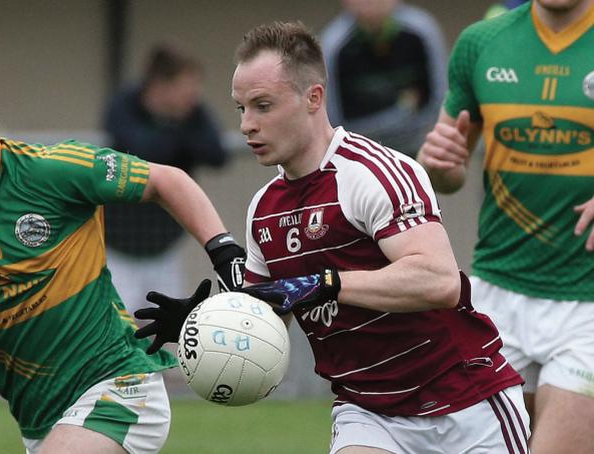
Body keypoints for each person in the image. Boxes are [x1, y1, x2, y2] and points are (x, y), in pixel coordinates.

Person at [136, 21, 530, 453]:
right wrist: (208, 322)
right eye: (240, 109)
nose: (247, 125)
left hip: (464, 402)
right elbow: (269, 316)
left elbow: (439, 281)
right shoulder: (263, 209)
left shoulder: (373, 174)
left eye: (263, 105)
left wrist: (328, 284)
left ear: (314, 98)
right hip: (367, 411)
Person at [0, 55, 244, 453]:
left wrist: (224, 251)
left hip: (118, 386)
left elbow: (166, 180)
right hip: (42, 419)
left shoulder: (51, 170)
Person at [416, 1, 594, 452]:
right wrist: (438, 163)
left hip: (586, 301)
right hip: (498, 291)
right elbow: (447, 173)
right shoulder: (482, 42)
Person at [103, 45, 230, 315]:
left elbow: (217, 154)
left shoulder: (192, 113)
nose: (193, 96)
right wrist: (178, 136)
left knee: (168, 327)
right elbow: (141, 150)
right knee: (117, 328)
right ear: (160, 86)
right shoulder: (126, 104)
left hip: (164, 249)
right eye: (186, 87)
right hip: (118, 249)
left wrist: (177, 129)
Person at [320, 0, 446, 158]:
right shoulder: (333, 45)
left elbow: (440, 104)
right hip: (362, 155)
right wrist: (402, 112)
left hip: (420, 148)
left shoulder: (422, 30)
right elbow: (333, 123)